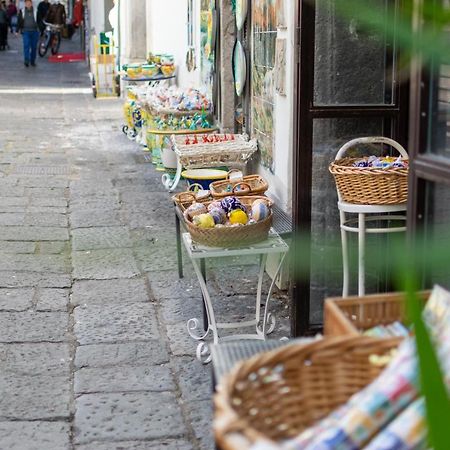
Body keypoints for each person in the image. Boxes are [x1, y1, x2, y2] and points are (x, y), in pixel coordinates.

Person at [17, 0, 39, 67]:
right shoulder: (22, 11)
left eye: (29, 3)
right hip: (26, 31)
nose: (28, 4)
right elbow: (19, 20)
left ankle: (32, 61)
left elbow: (40, 20)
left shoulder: (36, 11)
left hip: (35, 32)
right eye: (26, 3)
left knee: (34, 47)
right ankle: (26, 60)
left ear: (31, 3)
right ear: (25, 4)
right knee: (26, 45)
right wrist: (17, 30)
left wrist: (41, 28)